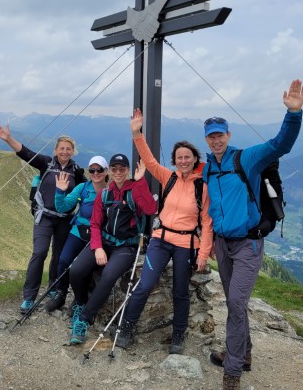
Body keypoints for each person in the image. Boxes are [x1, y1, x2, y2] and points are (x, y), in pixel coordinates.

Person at [202, 79, 303, 390]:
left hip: (247, 244)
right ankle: (244, 353)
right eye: (211, 137)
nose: (216, 140)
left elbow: (279, 146)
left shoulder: (245, 158)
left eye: (219, 134)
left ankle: (232, 371)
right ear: (206, 141)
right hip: (222, 244)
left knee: (234, 302)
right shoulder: (208, 167)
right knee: (237, 304)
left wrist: (293, 114)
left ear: (228, 135)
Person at [115, 108, 214, 354]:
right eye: (179, 157)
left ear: (194, 159)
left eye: (187, 157)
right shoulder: (167, 177)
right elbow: (148, 161)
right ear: (174, 160)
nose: (183, 161)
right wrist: (137, 133)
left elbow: (206, 221)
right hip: (160, 240)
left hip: (186, 244)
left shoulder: (203, 186)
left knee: (181, 291)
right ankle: (127, 327)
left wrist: (203, 253)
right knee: (144, 285)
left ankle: (178, 335)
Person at [0, 123, 85, 313]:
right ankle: (29, 297)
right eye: (62, 148)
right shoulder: (46, 163)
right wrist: (8, 139)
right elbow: (25, 153)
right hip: (45, 217)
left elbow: (90, 190)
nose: (65, 152)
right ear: (55, 150)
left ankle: (54, 288)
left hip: (65, 219)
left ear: (73, 151)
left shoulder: (77, 171)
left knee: (59, 257)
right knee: (40, 252)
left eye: (68, 149)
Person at [68, 153, 158, 345]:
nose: (118, 172)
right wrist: (98, 247)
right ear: (109, 170)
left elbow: (150, 209)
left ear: (127, 171)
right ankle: (81, 301)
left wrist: (141, 181)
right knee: (75, 271)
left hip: (127, 246)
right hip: (104, 242)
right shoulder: (105, 193)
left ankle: (84, 319)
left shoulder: (135, 191)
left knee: (108, 276)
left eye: (122, 169)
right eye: (114, 169)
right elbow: (95, 224)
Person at [44, 155, 109, 315]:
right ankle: (61, 293)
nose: (95, 173)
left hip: (98, 235)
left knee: (84, 267)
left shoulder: (111, 191)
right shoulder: (82, 188)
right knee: (64, 260)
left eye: (99, 169)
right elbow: (62, 207)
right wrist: (60, 191)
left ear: (106, 171)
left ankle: (80, 299)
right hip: (78, 231)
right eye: (92, 170)